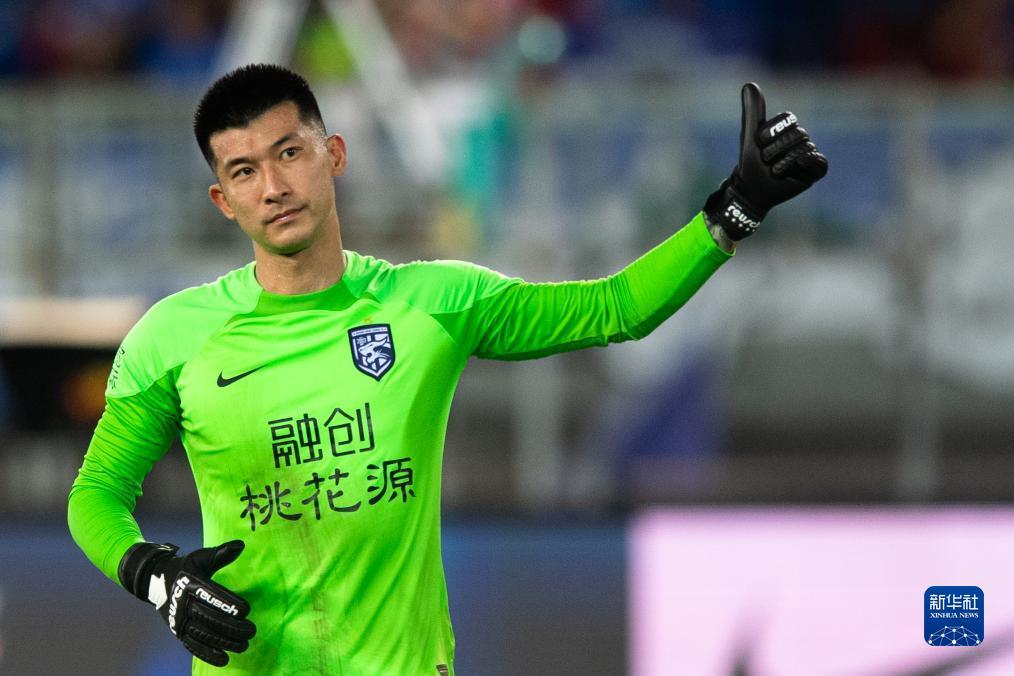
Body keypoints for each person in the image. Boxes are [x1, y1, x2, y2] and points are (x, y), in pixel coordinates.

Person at [67, 64, 827, 674]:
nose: (273, 187)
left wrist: (735, 208)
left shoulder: (434, 303)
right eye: (243, 172)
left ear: (334, 155)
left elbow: (615, 307)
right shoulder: (173, 336)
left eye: (289, 153)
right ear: (222, 200)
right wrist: (156, 575)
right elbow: (97, 493)